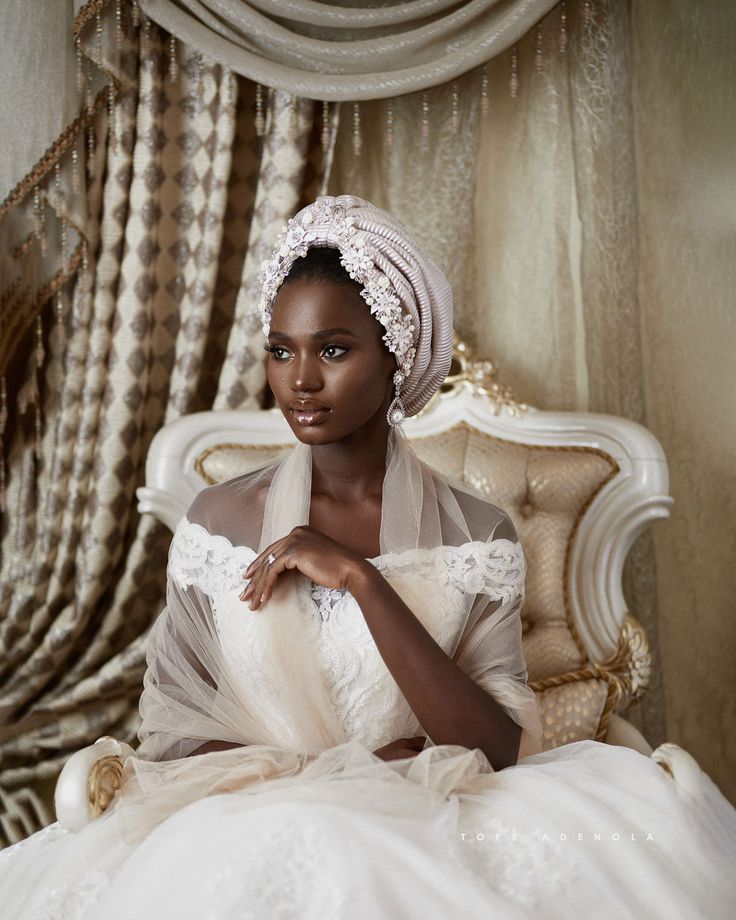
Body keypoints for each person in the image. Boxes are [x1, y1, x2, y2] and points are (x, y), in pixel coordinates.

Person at [1, 194, 735, 919]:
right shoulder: (219, 520)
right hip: (245, 823)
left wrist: (361, 582)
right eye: (282, 350)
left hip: (429, 824)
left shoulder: (478, 535)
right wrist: (323, 777)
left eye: (334, 349)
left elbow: (494, 747)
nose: (300, 380)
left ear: (396, 356)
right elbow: (172, 733)